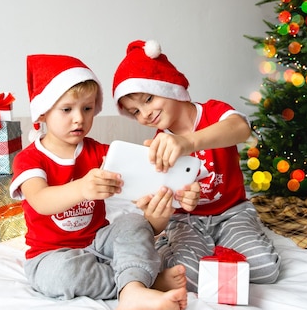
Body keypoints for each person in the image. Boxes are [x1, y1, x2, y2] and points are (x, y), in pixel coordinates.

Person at [9, 54, 189, 310]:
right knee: (62, 275)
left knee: (134, 222)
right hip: (51, 254)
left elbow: (138, 174)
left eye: (87, 108)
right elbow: (40, 200)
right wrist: (82, 188)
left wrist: (157, 168)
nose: (79, 119)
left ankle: (133, 288)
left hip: (99, 241)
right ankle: (136, 281)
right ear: (44, 112)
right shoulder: (29, 159)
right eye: (67, 109)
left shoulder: (100, 152)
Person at [112, 40, 281, 293]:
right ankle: (176, 249)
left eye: (148, 98)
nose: (145, 114)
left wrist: (187, 142)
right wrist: (169, 203)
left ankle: (218, 249)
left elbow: (241, 129)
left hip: (232, 212)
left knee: (265, 269)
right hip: (186, 221)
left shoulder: (214, 112)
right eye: (135, 111)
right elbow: (169, 196)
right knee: (185, 277)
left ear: (169, 86)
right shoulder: (157, 143)